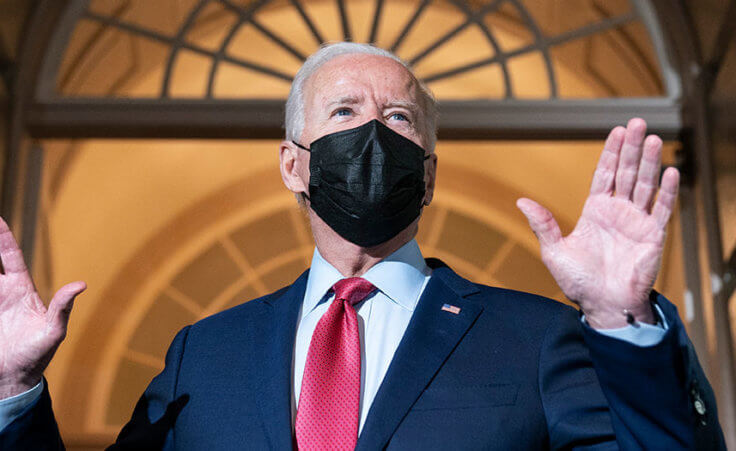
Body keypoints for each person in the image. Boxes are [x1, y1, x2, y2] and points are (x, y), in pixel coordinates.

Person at [0, 42, 726, 450]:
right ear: (294, 163)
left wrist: (621, 325)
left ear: (428, 173)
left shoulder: (538, 340)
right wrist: (13, 394)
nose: (373, 130)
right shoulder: (205, 353)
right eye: (344, 110)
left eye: (400, 117)